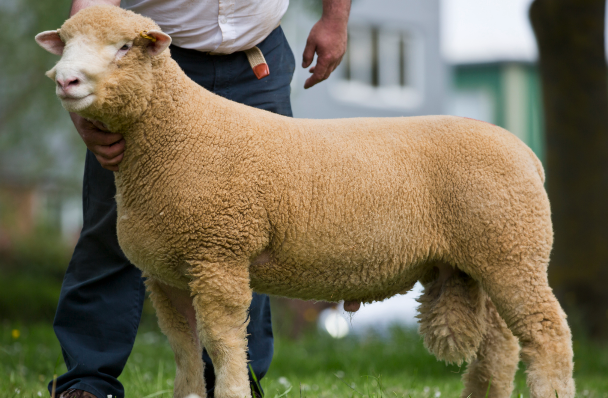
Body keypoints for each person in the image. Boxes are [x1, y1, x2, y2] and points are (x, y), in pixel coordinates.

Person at [49, 1, 350, 397]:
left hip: (255, 60)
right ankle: (88, 381)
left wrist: (335, 18)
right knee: (117, 219)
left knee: (249, 229)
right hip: (146, 58)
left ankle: (231, 382)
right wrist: (82, 88)